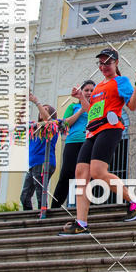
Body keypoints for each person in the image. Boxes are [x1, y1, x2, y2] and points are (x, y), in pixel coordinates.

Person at [58, 48, 136, 236]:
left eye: (108, 62)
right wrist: (81, 98)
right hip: (92, 131)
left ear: (116, 63)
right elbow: (92, 111)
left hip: (110, 129)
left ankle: (134, 201)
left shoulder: (121, 82)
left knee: (98, 172)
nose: (104, 66)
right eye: (101, 63)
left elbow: (132, 105)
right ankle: (81, 223)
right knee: (81, 174)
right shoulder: (97, 88)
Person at [51, 79, 95, 209]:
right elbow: (65, 124)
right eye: (86, 90)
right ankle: (55, 207)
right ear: (81, 91)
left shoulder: (97, 106)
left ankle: (89, 207)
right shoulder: (73, 106)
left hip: (90, 141)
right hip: (73, 143)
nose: (89, 92)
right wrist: (81, 110)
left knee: (89, 176)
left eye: (92, 90)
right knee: (66, 174)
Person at [20, 92, 58, 212]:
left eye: (45, 109)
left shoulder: (53, 126)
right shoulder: (33, 128)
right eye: (42, 109)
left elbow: (49, 121)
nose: (42, 111)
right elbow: (20, 123)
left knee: (40, 192)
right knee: (24, 196)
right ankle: (30, 218)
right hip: (33, 165)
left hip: (44, 162)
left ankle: (43, 217)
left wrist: (37, 102)